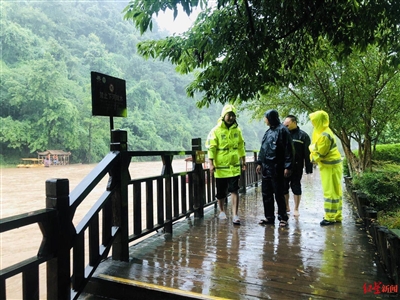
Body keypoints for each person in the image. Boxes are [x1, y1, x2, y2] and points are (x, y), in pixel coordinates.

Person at [206, 104, 246, 225]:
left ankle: (235, 215)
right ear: (223, 116)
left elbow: (240, 146)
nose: (231, 118)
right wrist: (211, 163)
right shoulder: (216, 131)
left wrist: (243, 161)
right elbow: (211, 148)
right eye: (229, 115)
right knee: (221, 192)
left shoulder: (237, 130)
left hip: (234, 167)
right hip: (221, 167)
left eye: (233, 116)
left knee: (234, 190)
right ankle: (222, 211)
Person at [256, 109, 294, 227]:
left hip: (278, 167)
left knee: (279, 193)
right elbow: (263, 149)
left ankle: (283, 217)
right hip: (267, 168)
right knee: (266, 193)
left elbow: (289, 150)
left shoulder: (283, 131)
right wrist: (259, 163)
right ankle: (269, 217)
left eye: (266, 117)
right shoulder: (268, 132)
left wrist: (287, 166)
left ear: (270, 118)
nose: (265, 120)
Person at [309, 110, 343, 226]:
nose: (312, 123)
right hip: (331, 165)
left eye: (314, 121)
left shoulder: (324, 135)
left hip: (330, 166)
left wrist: (312, 151)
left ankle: (329, 217)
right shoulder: (323, 131)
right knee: (336, 190)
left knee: (330, 192)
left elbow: (319, 154)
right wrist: (313, 149)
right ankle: (337, 215)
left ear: (319, 121)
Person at [283, 115, 313, 216]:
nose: (285, 126)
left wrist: (309, 168)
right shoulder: (283, 134)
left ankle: (296, 208)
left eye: (287, 124)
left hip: (297, 166)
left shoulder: (303, 136)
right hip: (284, 166)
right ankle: (286, 206)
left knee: (296, 186)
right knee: (284, 187)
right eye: (284, 124)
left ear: (294, 122)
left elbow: (307, 153)